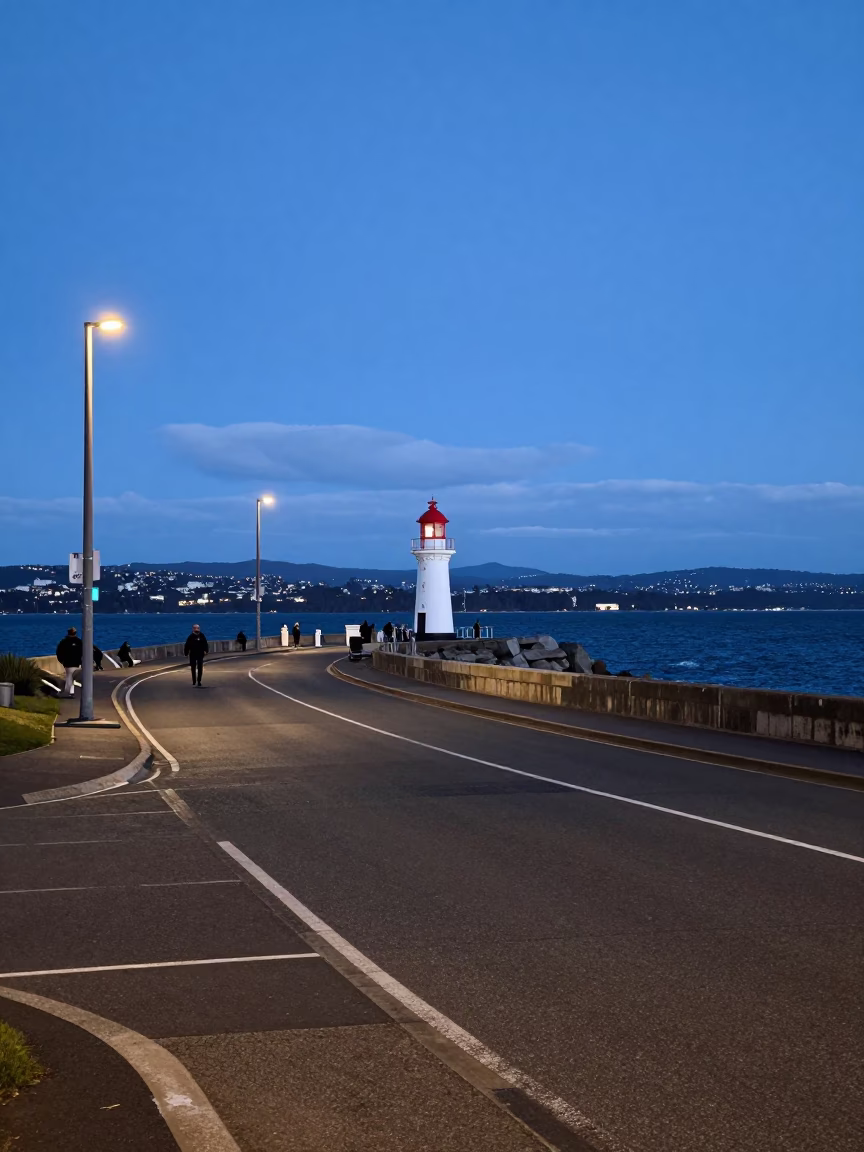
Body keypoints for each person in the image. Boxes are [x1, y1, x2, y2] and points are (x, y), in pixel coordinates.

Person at [56, 627, 83, 696]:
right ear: (75, 633)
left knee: (69, 676)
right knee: (72, 677)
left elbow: (59, 652)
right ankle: (70, 691)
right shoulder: (79, 641)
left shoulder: (63, 642)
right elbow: (84, 651)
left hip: (68, 663)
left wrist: (61, 660)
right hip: (77, 662)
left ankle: (69, 691)